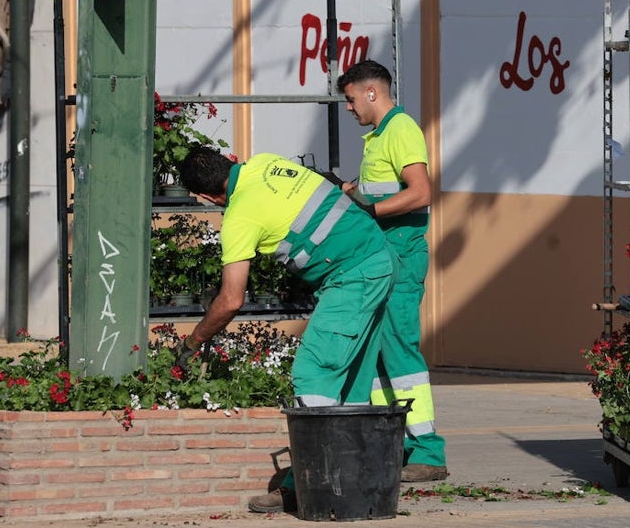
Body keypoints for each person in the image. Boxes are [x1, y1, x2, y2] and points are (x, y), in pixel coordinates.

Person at [176, 145, 396, 513]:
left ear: (205, 196)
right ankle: (358, 486)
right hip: (378, 258)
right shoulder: (265, 163)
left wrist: (193, 342)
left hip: (352, 277)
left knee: (312, 372)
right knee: (353, 385)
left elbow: (231, 299)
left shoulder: (240, 216)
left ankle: (314, 488)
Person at [336, 59, 448, 483]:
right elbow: (382, 189)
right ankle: (397, 446)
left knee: (400, 351)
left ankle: (428, 453)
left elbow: (420, 193)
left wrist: (369, 209)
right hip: (387, 254)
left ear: (371, 93)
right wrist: (349, 190)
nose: (348, 109)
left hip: (400, 254)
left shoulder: (401, 129)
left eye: (350, 100)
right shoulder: (380, 136)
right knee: (383, 352)